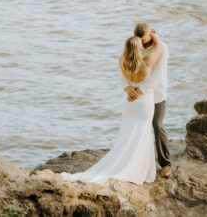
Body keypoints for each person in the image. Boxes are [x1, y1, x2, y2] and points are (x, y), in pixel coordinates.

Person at [62, 32, 164, 184]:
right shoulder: (146, 62)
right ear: (138, 48)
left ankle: (126, 162)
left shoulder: (122, 61)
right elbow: (158, 53)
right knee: (143, 133)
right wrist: (153, 35)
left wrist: (129, 90)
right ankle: (138, 168)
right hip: (144, 101)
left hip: (130, 103)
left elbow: (122, 80)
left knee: (128, 133)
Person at [126, 22, 171, 177]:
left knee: (157, 125)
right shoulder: (134, 45)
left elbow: (157, 75)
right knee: (137, 126)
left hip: (156, 92)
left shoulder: (162, 48)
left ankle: (165, 163)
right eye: (138, 39)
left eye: (143, 40)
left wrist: (140, 90)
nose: (141, 42)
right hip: (137, 95)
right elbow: (124, 68)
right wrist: (128, 88)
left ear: (151, 34)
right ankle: (137, 161)